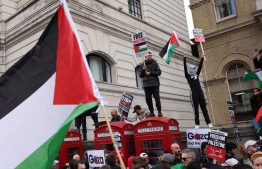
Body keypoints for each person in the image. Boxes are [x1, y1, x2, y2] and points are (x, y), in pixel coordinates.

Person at [183, 53, 213, 129]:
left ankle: (209, 122)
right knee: (195, 109)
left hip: (200, 92)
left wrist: (202, 58)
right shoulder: (188, 76)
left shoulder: (197, 75)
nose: (195, 70)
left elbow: (200, 66)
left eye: (195, 69)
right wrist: (184, 58)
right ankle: (197, 124)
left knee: (204, 109)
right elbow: (184, 68)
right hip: (193, 93)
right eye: (193, 68)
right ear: (190, 69)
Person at [139, 52, 162, 117]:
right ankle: (151, 112)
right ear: (145, 56)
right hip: (146, 85)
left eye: (151, 55)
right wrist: (143, 70)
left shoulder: (155, 64)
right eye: (149, 55)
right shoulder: (142, 65)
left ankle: (159, 111)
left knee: (157, 98)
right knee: (148, 100)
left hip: (154, 84)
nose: (150, 57)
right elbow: (140, 75)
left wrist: (150, 73)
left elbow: (159, 72)